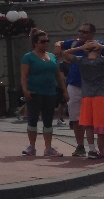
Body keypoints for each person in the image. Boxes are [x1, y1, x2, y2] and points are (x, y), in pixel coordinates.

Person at [21, 29, 68, 157]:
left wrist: (64, 91)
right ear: (35, 43)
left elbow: (58, 75)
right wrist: (25, 90)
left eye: (47, 41)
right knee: (33, 119)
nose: (46, 43)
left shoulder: (52, 57)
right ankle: (32, 147)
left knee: (48, 120)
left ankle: (48, 148)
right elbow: (24, 75)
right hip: (34, 92)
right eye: (43, 41)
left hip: (50, 92)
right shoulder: (28, 57)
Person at [57, 23, 101, 158]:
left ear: (92, 34)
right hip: (75, 85)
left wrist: (99, 47)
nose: (81, 34)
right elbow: (60, 44)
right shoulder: (74, 43)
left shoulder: (98, 45)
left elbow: (66, 54)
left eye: (84, 32)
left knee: (97, 121)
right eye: (80, 31)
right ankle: (81, 146)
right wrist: (57, 47)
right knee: (76, 117)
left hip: (97, 91)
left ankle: (97, 148)